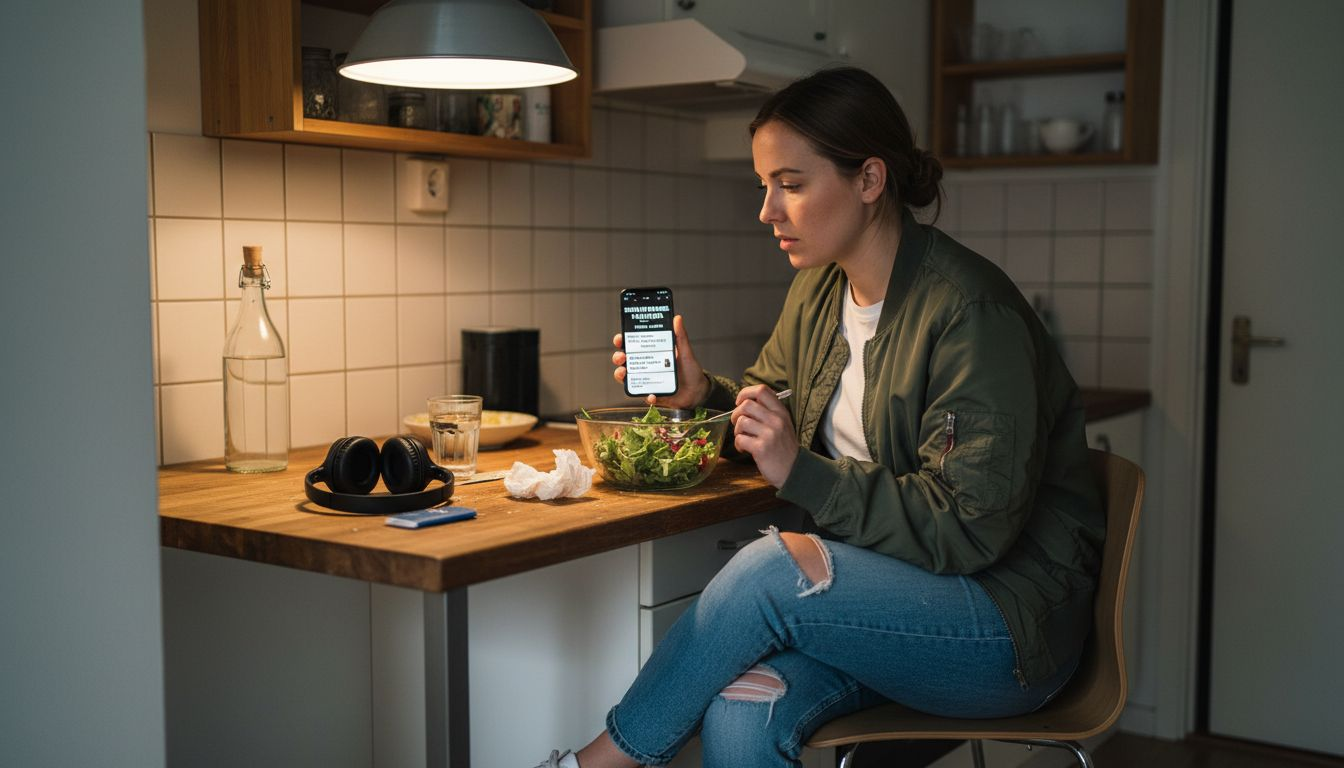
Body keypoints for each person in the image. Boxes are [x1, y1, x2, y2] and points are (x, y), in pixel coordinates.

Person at [533, 66, 1103, 768]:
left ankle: (594, 764)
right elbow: (769, 412)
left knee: (771, 571)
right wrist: (703, 396)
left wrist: (802, 473)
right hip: (881, 614)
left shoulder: (970, 314)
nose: (767, 211)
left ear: (869, 180)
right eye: (763, 185)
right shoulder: (816, 292)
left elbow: (969, 526)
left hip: (1003, 629)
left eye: (791, 185)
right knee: (743, 710)